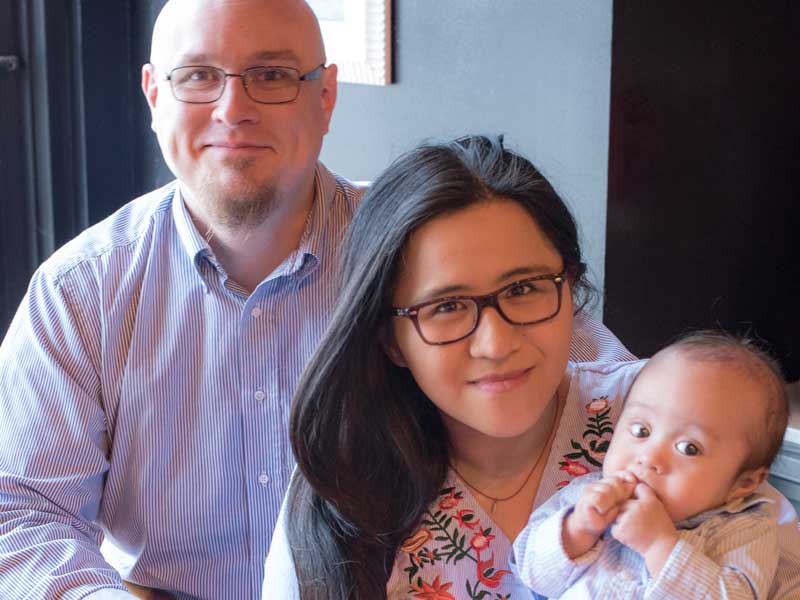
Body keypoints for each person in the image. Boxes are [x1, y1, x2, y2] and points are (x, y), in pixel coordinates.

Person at [0, 3, 630, 599]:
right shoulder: (80, 293)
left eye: (272, 75)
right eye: (197, 76)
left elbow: (613, 393)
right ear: (154, 95)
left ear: (326, 95)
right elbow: (19, 514)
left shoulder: (419, 251)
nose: (233, 108)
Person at [263, 135, 800, 599]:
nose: (495, 344)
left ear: (571, 289)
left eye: (523, 289)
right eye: (446, 307)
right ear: (391, 338)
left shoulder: (665, 416)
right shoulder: (348, 483)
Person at [514, 331, 788, 599]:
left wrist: (660, 545)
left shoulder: (746, 531)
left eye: (689, 448)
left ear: (745, 483)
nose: (649, 457)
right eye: (640, 430)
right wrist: (577, 530)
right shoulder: (585, 495)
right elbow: (531, 573)